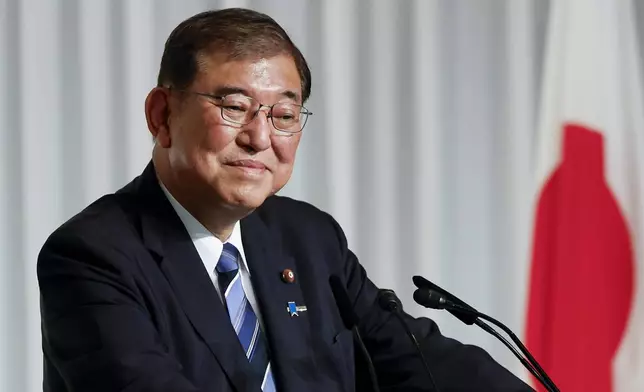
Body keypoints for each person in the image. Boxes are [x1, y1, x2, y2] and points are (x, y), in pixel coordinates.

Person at [37, 8, 533, 392]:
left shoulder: (308, 238)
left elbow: (417, 360)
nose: (259, 137)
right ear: (162, 115)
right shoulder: (92, 255)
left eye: (283, 115)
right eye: (234, 108)